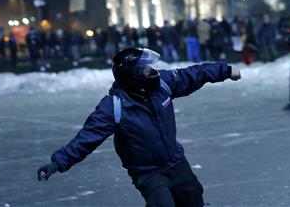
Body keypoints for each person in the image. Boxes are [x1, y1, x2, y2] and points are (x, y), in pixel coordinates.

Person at [38, 47, 241, 206]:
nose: (151, 71)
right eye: (145, 68)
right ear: (132, 76)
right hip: (147, 172)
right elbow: (88, 137)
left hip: (175, 161)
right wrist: (58, 162)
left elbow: (192, 74)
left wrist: (224, 70)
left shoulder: (162, 84)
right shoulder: (114, 106)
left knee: (193, 198)